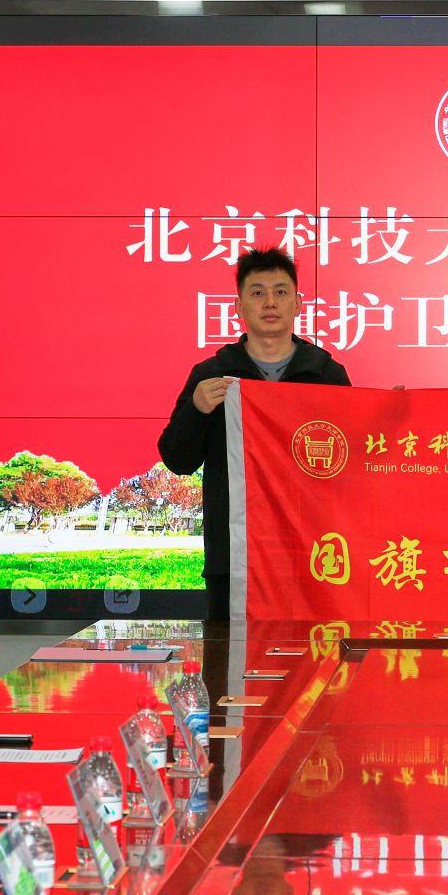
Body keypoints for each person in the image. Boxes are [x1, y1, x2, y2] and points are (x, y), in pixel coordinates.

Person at [158, 246, 352, 620]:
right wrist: (197, 410)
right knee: (228, 654)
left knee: (313, 654)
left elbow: (350, 463)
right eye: (258, 292)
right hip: (234, 558)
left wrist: (383, 418)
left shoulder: (327, 375)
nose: (270, 302)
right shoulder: (212, 374)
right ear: (239, 307)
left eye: (280, 292)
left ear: (298, 304)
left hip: (312, 556)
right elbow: (177, 460)